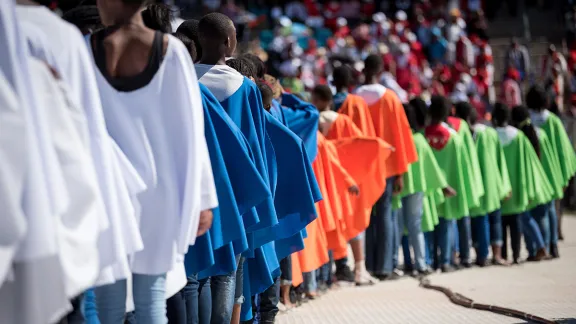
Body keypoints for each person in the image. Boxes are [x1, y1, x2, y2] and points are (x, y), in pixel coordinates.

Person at [87, 1, 219, 323]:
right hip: (159, 194)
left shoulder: (85, 49)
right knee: (151, 302)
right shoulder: (169, 51)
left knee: (108, 305)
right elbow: (189, 130)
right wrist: (202, 198)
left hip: (107, 192)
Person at [312, 84, 393, 285]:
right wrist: (380, 147)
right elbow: (359, 142)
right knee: (353, 224)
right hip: (347, 180)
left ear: (320, 100)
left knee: (331, 225)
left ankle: (331, 274)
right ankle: (357, 268)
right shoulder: (342, 120)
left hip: (328, 180)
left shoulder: (314, 120)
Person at [355, 54, 417, 280]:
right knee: (385, 215)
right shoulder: (390, 98)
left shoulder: (354, 98)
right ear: (381, 71)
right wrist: (401, 171)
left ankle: (369, 264)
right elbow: (401, 135)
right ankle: (384, 267)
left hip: (362, 167)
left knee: (367, 215)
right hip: (387, 167)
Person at [394, 101, 456, 275]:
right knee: (415, 227)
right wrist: (443, 186)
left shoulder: (398, 140)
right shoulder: (420, 140)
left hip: (398, 189)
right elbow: (432, 167)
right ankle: (421, 264)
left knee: (400, 228)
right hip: (416, 188)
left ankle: (402, 262)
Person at [491, 103, 552, 264]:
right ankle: (518, 255)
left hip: (500, 189)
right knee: (518, 223)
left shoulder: (491, 136)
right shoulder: (518, 137)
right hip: (518, 188)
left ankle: (504, 255)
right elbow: (528, 164)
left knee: (502, 224)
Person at [454, 102, 512, 266]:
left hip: (476, 183)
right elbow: (501, 160)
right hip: (493, 182)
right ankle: (497, 255)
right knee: (495, 220)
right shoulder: (490, 133)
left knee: (479, 220)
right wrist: (505, 185)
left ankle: (482, 255)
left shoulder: (464, 134)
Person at [424, 96, 474, 273]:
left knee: (429, 225)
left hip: (429, 188)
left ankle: (429, 261)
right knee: (447, 224)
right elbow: (463, 166)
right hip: (450, 187)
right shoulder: (454, 138)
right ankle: (445, 260)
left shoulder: (423, 136)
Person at [526, 85, 576, 252]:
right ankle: (553, 244)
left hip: (534, 172)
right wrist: (565, 172)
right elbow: (564, 149)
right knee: (552, 209)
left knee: (537, 210)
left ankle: (542, 245)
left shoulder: (527, 122)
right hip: (553, 172)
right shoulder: (553, 121)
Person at [511, 105, 562, 260]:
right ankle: (550, 246)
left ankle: (536, 249)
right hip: (545, 180)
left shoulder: (519, 137)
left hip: (529, 181)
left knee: (526, 216)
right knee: (546, 214)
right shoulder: (541, 134)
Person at [447, 103, 485, 268]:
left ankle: (452, 255)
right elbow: (470, 155)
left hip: (447, 176)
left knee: (450, 218)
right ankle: (466, 256)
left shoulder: (445, 125)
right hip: (462, 176)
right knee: (463, 218)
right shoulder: (463, 126)